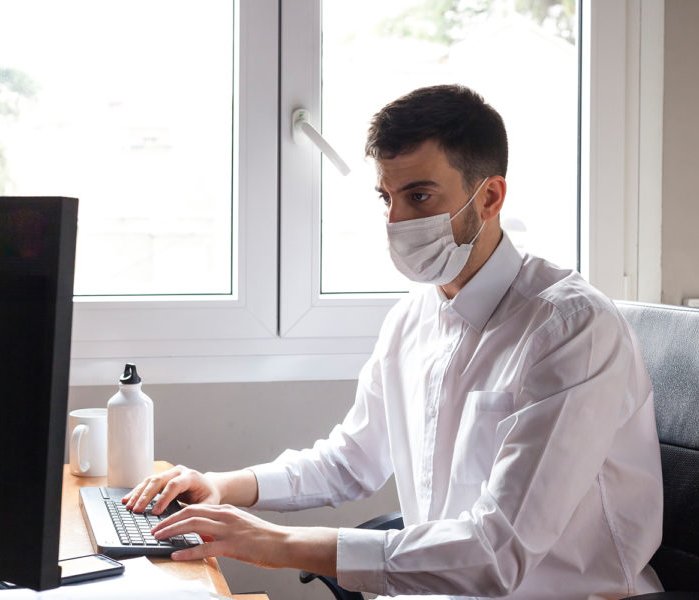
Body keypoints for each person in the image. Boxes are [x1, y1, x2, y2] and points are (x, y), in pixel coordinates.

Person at [124, 84, 664, 599]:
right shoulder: (414, 318)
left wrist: (277, 544)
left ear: (491, 197)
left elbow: (496, 554)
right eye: (386, 196)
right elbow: (351, 460)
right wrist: (223, 486)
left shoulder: (570, 330)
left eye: (419, 195)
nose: (396, 220)